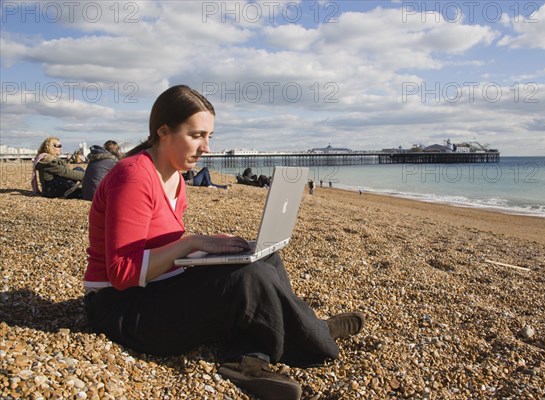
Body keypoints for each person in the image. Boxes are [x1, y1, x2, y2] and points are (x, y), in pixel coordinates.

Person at [82, 85, 364, 400]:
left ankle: (248, 357)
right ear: (163, 131)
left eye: (209, 137)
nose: (206, 147)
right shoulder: (133, 177)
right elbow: (121, 273)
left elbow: (158, 246)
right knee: (245, 278)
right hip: (123, 310)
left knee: (259, 257)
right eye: (197, 135)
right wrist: (192, 244)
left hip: (158, 287)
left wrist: (210, 249)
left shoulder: (175, 175)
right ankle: (316, 333)